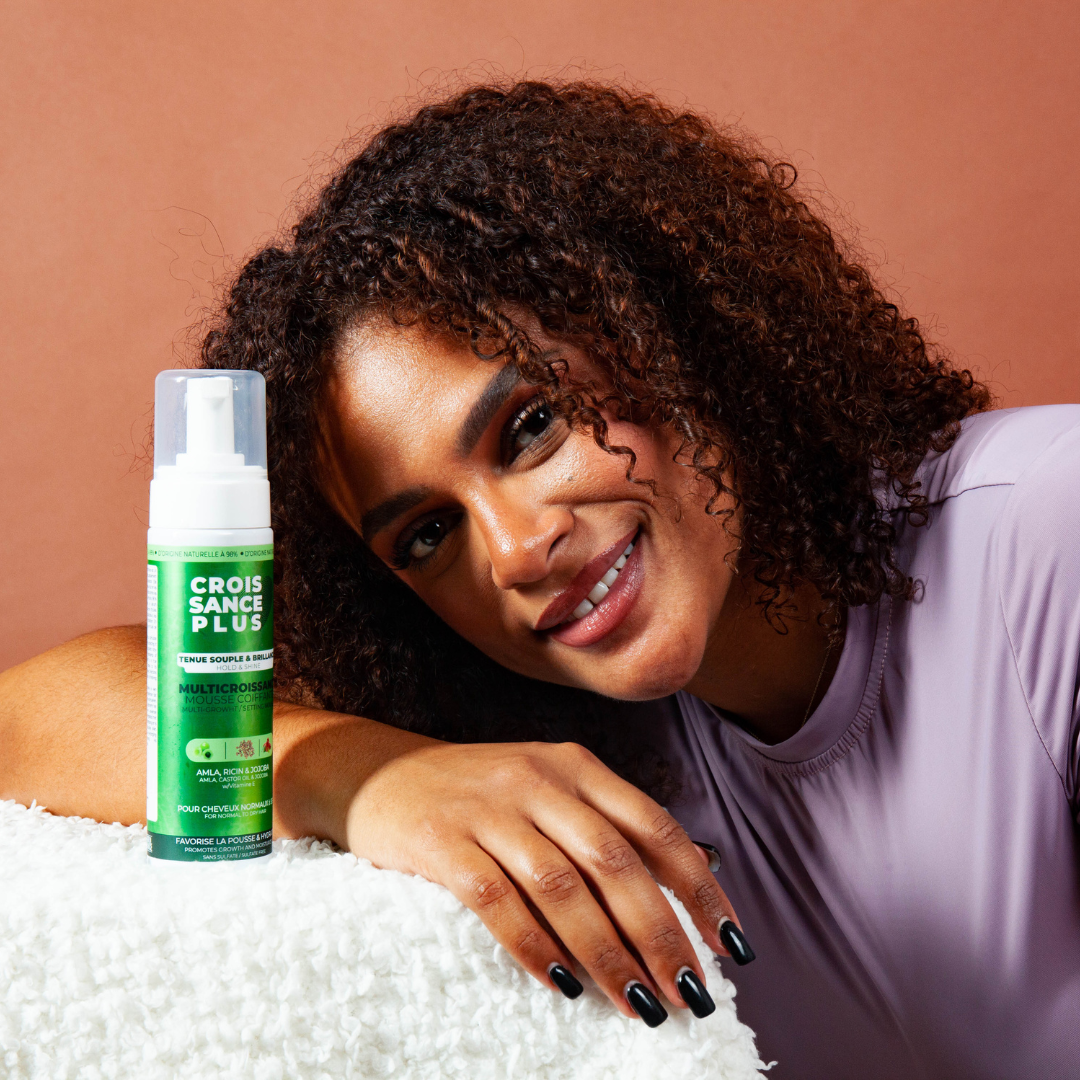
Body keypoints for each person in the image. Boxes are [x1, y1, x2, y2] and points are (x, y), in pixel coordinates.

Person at [2, 81, 1078, 1077]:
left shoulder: (1046, 538)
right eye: (427, 537)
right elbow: (28, 718)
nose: (513, 553)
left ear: (668, 326)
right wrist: (362, 773)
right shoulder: (567, 738)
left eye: (530, 427)